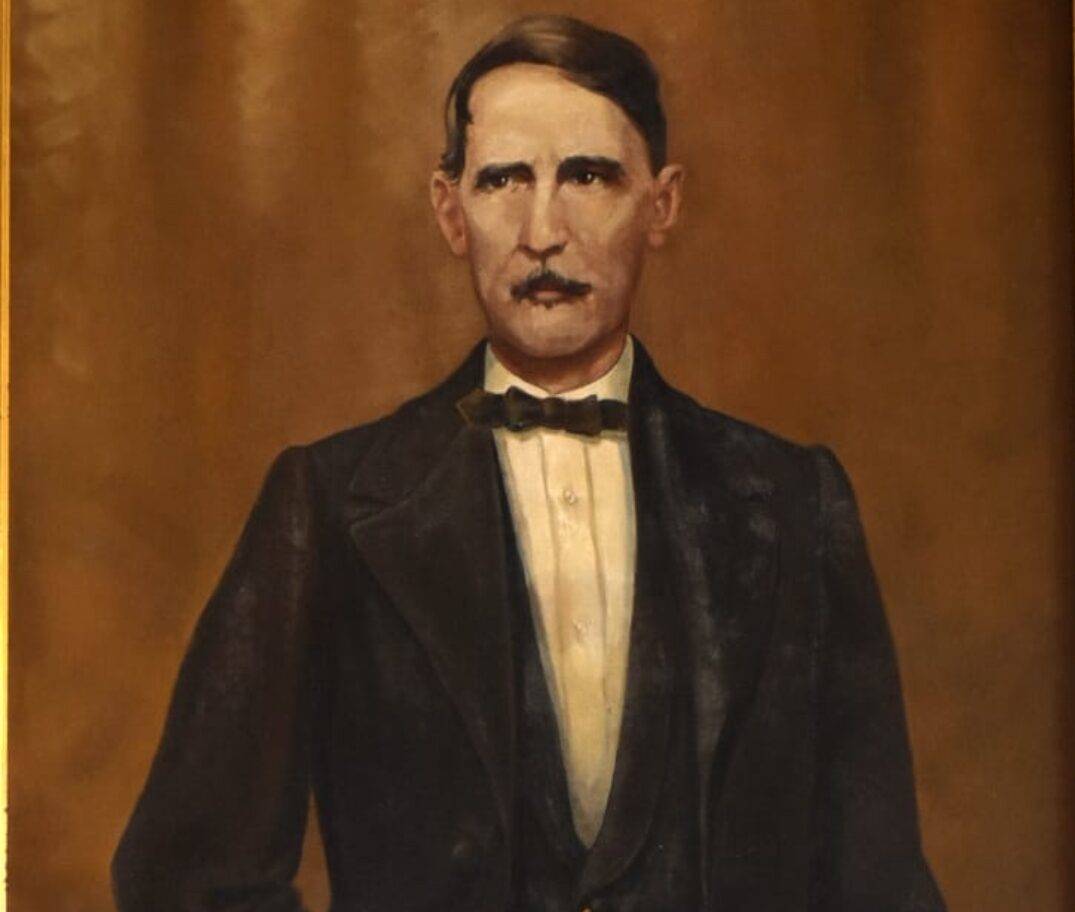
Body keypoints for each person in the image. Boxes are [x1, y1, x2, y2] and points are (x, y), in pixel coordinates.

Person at [112, 14, 945, 912]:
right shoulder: (329, 506)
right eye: (504, 179)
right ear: (450, 210)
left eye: (588, 176)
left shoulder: (790, 504)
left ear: (660, 205)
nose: (542, 230)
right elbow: (185, 878)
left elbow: (882, 889)